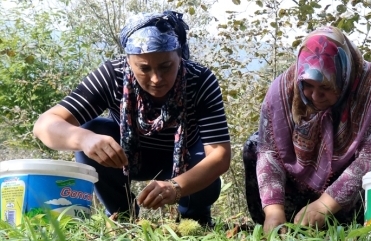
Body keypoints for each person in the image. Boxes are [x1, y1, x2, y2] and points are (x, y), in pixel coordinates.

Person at [33, 11, 231, 227]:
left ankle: (195, 220)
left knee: (204, 162)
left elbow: (219, 155)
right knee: (93, 129)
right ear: (128, 61)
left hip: (186, 159)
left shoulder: (200, 80)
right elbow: (45, 124)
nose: (156, 79)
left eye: (166, 66)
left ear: (179, 55)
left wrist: (176, 186)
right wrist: (84, 139)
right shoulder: (112, 75)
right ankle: (123, 218)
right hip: (128, 156)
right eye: (144, 68)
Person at [243, 26, 371, 233]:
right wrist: (273, 210)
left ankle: (361, 226)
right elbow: (269, 151)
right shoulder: (283, 89)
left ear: (344, 77)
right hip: (300, 184)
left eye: (326, 88)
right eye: (308, 86)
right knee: (254, 145)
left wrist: (325, 204)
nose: (315, 96)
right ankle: (279, 225)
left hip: (350, 188)